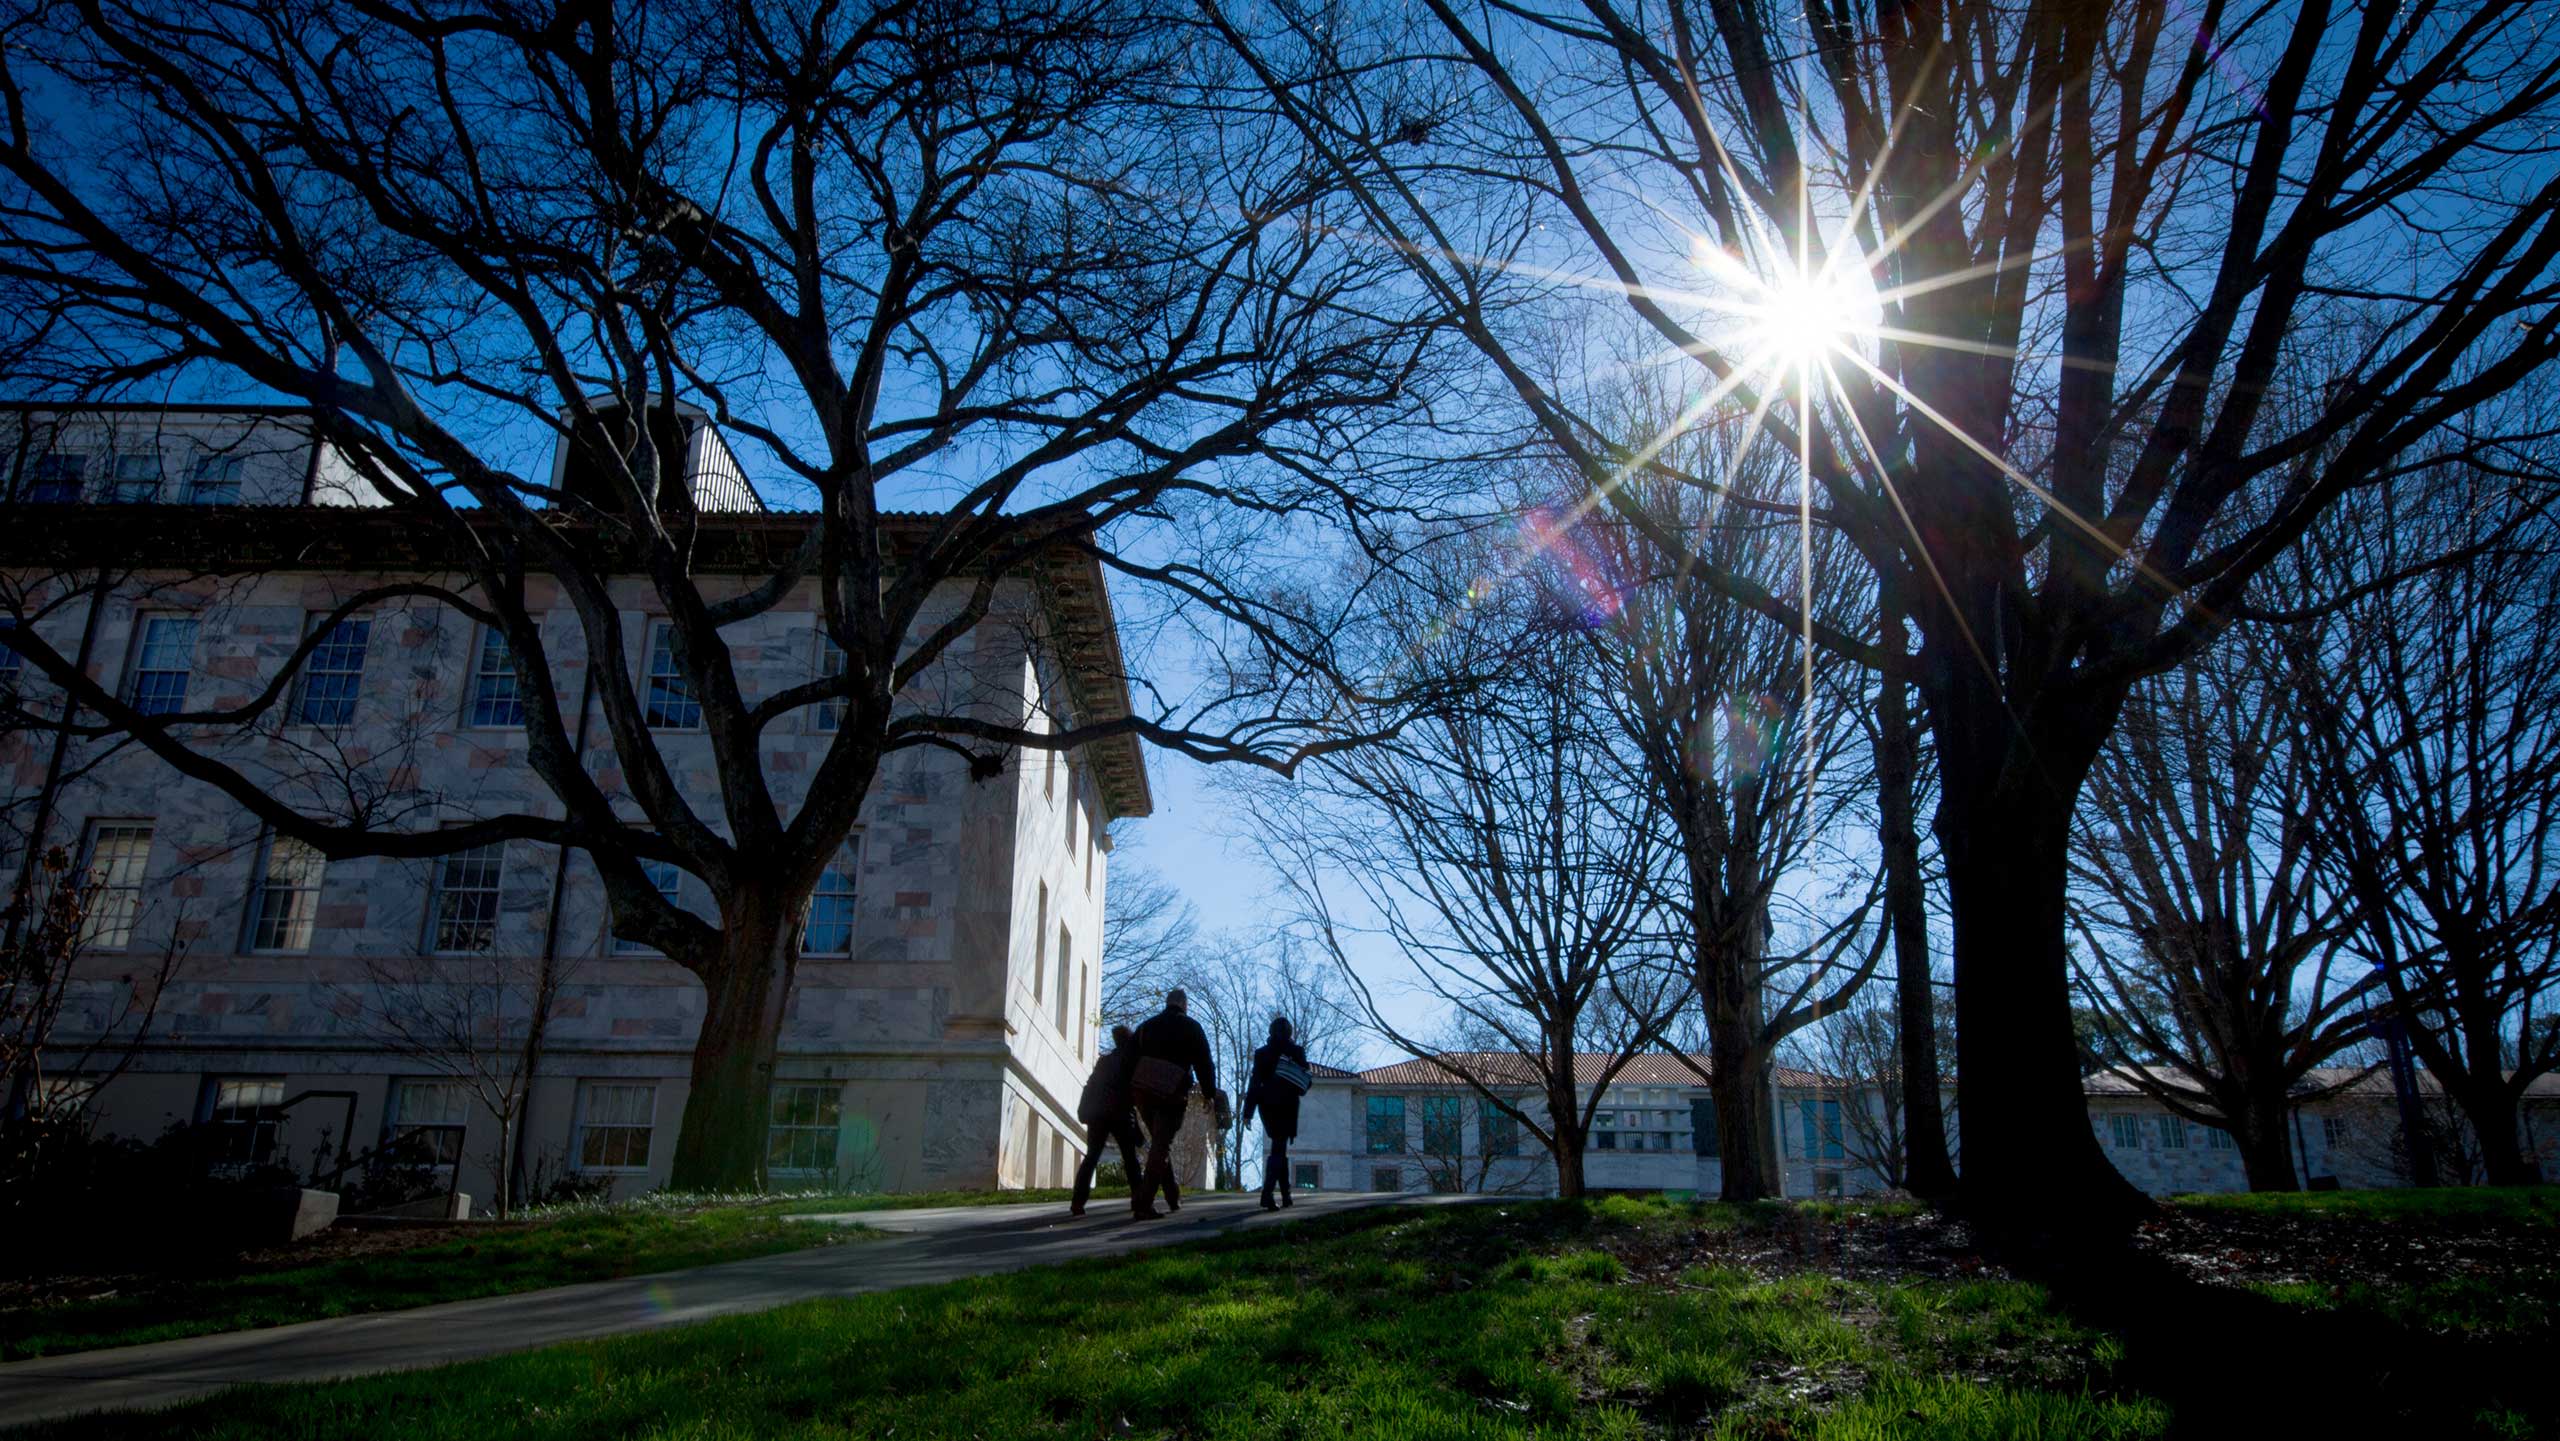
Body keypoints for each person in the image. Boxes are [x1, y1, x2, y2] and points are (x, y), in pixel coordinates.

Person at [1128, 987, 1218, 1219]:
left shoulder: (1146, 1027)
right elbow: (1204, 1062)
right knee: (1161, 1145)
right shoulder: (1191, 1027)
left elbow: (1129, 1058)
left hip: (1143, 1094)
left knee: (1159, 1142)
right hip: (1171, 1093)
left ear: (1167, 1003)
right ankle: (1144, 1203)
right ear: (1184, 1005)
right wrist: (1209, 1094)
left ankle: (1172, 1196)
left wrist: (1130, 1091)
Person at [1071, 1025, 1144, 1217]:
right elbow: (1132, 1092)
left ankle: (1077, 1202)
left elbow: (1091, 1085)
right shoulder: (1131, 1061)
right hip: (1120, 1113)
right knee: (1130, 1158)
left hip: (1098, 1113)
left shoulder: (1104, 1061)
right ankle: (1138, 1200)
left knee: (1092, 1156)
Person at [1241, 1015, 1308, 1211]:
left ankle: (1286, 1196)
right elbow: (1306, 1080)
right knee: (1279, 1147)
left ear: (1271, 1032)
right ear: (1289, 1033)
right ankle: (1267, 1194)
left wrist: (1248, 1112)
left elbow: (1254, 1084)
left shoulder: (1262, 1053)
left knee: (1279, 1147)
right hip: (1287, 1105)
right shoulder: (1296, 1051)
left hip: (1266, 1106)